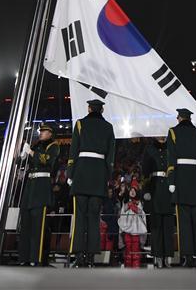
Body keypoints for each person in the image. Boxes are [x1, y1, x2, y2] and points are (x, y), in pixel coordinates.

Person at [67, 98, 116, 268]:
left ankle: (78, 256)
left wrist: (70, 173)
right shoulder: (108, 127)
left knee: (80, 217)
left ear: (89, 109)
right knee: (94, 218)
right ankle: (91, 257)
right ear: (101, 110)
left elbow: (73, 150)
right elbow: (110, 155)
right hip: (98, 176)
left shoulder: (80, 124)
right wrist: (107, 176)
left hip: (81, 174)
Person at [166, 107, 196, 268]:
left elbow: (171, 158)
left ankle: (188, 256)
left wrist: (171, 181)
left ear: (179, 118)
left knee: (184, 222)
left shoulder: (173, 132)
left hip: (181, 179)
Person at [17, 123, 60, 266]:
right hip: (30, 185)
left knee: (37, 226)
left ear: (50, 133)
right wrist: (23, 153)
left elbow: (47, 160)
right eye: (41, 131)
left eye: (44, 131)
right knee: (26, 223)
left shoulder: (54, 146)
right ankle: (24, 257)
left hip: (41, 186)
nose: (41, 133)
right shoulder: (36, 145)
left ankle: (35, 258)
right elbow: (24, 161)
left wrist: (30, 152)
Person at [141, 136, 174, 268]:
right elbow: (145, 171)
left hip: (169, 190)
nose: (161, 137)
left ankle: (167, 257)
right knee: (156, 227)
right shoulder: (149, 149)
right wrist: (146, 190)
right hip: (155, 190)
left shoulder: (171, 148)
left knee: (168, 227)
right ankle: (158, 256)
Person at [118, 187, 147, 268]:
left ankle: (136, 267)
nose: (132, 192)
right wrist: (129, 205)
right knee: (128, 249)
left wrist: (133, 206)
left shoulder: (139, 202)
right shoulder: (125, 202)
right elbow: (123, 213)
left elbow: (141, 213)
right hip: (127, 230)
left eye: (134, 190)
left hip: (136, 230)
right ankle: (128, 267)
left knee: (135, 250)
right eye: (131, 190)